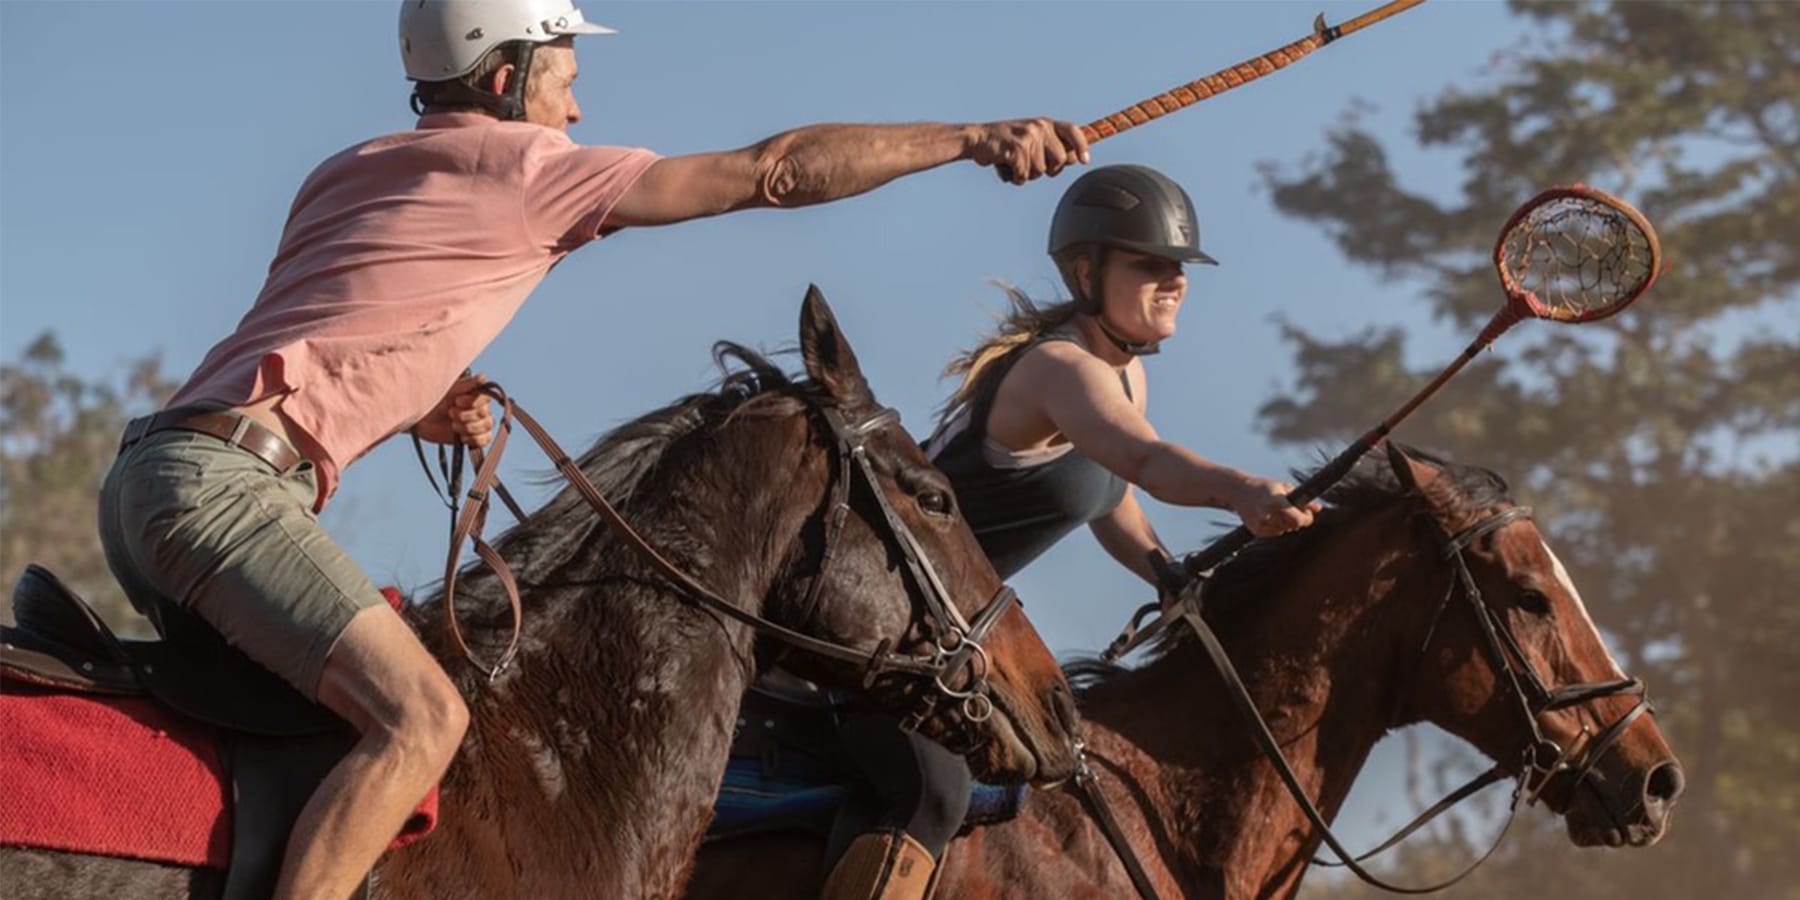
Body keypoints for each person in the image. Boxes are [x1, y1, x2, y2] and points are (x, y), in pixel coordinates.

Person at [94, 2, 1089, 897]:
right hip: (226, 495)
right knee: (422, 720)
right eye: (566, 75)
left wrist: (427, 402)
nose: (576, 110)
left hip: (155, 480)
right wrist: (970, 139)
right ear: (501, 76)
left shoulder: (349, 169)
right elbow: (773, 171)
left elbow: (333, 320)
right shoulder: (528, 172)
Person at [820, 164, 1318, 900]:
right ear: (1086, 272)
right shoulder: (1060, 367)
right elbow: (1144, 460)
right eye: (1149, 264)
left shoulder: (1119, 373)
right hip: (880, 624)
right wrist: (1241, 488)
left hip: (947, 635)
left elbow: (1107, 493)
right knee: (935, 795)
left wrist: (1164, 573)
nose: (1174, 280)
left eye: (1180, 266)